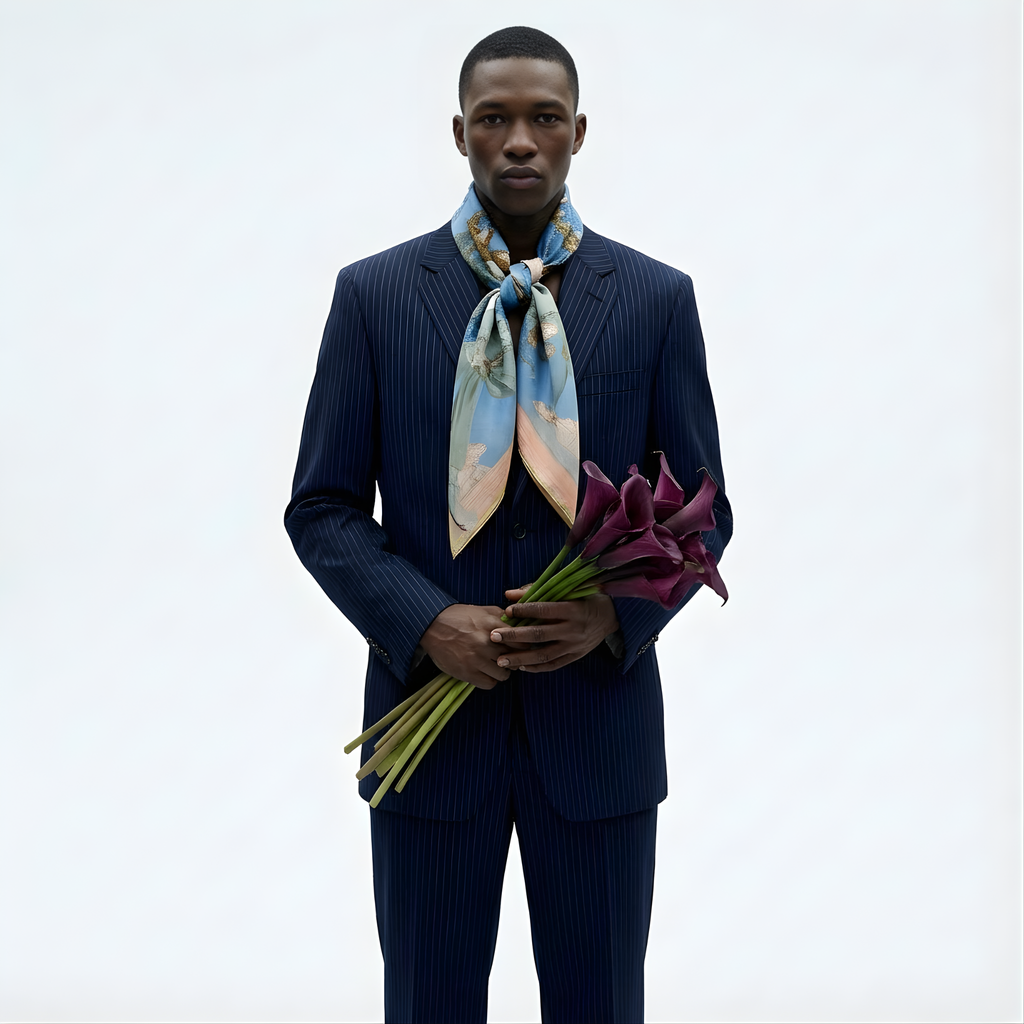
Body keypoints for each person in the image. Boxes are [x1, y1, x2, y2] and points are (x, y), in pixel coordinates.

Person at [285, 25, 732, 1024]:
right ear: (460, 133)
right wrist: (425, 622)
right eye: (494, 119)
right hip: (431, 740)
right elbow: (321, 507)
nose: (519, 140)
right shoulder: (376, 297)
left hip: (598, 737)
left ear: (580, 132)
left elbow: (701, 509)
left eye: (544, 118)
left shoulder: (654, 300)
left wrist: (610, 616)